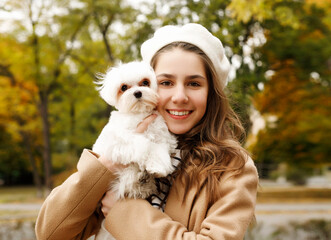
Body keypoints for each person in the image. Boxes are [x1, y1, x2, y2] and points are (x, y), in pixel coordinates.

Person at [35, 23, 258, 240]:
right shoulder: (117, 150)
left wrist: (124, 212)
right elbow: (51, 233)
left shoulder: (233, 167)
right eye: (166, 82)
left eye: (194, 84)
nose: (179, 96)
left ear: (211, 93)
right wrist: (111, 163)